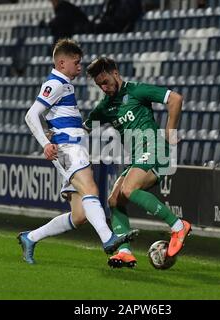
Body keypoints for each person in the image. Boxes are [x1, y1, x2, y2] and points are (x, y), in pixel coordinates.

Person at [18, 39, 137, 265]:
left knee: (80, 216)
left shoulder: (65, 85)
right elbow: (31, 115)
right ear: (62, 63)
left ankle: (30, 238)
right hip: (67, 148)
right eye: (77, 62)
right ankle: (108, 238)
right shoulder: (55, 84)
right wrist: (45, 142)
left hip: (74, 145)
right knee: (91, 188)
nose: (80, 67)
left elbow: (53, 118)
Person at [84, 57, 192, 268]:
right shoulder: (104, 107)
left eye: (105, 81)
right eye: (99, 85)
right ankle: (125, 252)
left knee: (129, 188)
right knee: (114, 200)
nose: (104, 88)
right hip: (138, 158)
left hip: (155, 150)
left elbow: (175, 99)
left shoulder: (137, 90)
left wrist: (170, 131)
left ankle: (179, 226)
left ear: (115, 73)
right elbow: (84, 127)